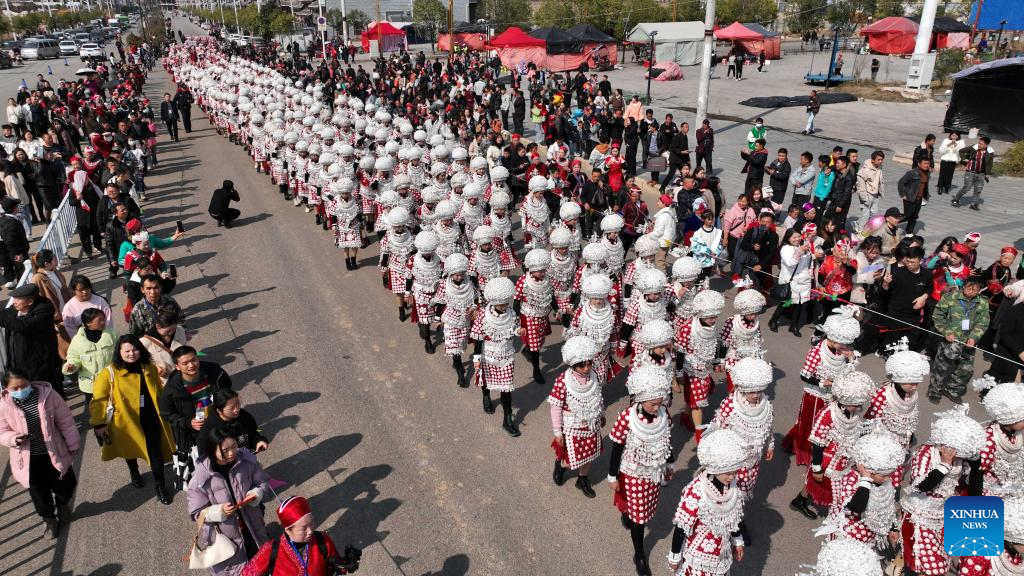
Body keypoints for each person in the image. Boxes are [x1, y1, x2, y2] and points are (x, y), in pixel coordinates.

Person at [89, 334, 176, 505]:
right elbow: (98, 399)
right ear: (119, 352)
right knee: (131, 450)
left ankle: (160, 487)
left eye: (135, 349)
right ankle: (134, 471)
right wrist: (98, 423)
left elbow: (159, 390)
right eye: (127, 350)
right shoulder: (109, 373)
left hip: (151, 417)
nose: (132, 353)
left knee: (155, 452)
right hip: (126, 421)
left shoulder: (148, 366)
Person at [900, 407, 985, 576]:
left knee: (938, 563)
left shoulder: (961, 461)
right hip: (918, 516)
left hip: (941, 516)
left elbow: (975, 494)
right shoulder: (926, 453)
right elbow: (921, 485)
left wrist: (976, 466)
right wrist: (944, 465)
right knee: (932, 568)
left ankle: (898, 564)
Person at [607, 367, 673, 576]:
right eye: (653, 403)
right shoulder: (627, 417)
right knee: (639, 518)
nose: (657, 407)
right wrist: (612, 475)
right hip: (633, 473)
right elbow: (617, 447)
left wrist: (669, 465)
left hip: (654, 472)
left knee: (644, 507)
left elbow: (666, 442)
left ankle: (629, 513)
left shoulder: (663, 415)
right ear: (641, 399)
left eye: (660, 402)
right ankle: (639, 553)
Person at [0, 369, 79, 539]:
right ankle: (49, 519)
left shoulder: (48, 395)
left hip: (53, 452)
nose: (20, 390)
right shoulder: (3, 404)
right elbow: (2, 431)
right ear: (6, 388)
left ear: (30, 382)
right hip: (28, 459)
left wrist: (73, 443)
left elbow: (65, 421)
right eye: (14, 388)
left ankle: (62, 504)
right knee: (39, 492)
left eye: (24, 385)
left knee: (67, 485)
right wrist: (13, 439)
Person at [788, 370, 875, 519]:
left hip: (845, 455)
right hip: (827, 458)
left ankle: (801, 500)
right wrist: (816, 468)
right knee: (822, 482)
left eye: (859, 405)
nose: (858, 408)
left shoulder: (853, 411)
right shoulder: (828, 414)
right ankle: (832, 513)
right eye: (855, 405)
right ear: (843, 400)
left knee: (836, 483)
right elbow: (817, 443)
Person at [782, 306, 861, 468]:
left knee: (828, 426)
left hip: (834, 396)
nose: (846, 347)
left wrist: (852, 359)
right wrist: (821, 383)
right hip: (815, 396)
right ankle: (807, 452)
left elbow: (848, 373)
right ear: (832, 338)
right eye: (843, 344)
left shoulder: (843, 352)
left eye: (847, 344)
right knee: (810, 425)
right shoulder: (816, 353)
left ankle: (822, 452)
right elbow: (804, 375)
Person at [187, 427, 270, 575]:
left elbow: (262, 481)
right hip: (226, 535)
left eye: (234, 446)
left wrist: (257, 492)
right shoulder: (200, 478)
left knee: (260, 558)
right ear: (212, 450)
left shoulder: (246, 461)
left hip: (252, 523)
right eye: (225, 450)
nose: (231, 453)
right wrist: (216, 512)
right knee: (235, 568)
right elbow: (196, 513)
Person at [666, 429, 749, 575]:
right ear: (715, 467)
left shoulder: (732, 487)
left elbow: (732, 517)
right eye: (728, 472)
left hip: (721, 551)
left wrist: (737, 539)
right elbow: (682, 526)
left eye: (735, 472)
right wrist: (675, 556)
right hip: (699, 555)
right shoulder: (696, 490)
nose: (732, 477)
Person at [160, 346, 234, 489]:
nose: (191, 365)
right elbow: (167, 414)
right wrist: (188, 422)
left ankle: (232, 486)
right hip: (195, 436)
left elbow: (227, 387)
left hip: (221, 427)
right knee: (205, 470)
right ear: (177, 366)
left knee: (228, 459)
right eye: (185, 363)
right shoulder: (171, 391)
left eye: (194, 360)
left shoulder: (214, 371)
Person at [822, 429, 905, 554]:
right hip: (848, 536)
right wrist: (865, 481)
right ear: (867, 469)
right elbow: (856, 507)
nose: (888, 478)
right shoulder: (851, 480)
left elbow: (887, 505)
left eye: (889, 474)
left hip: (868, 535)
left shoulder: (883, 480)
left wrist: (892, 527)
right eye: (884, 475)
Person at [242, 495, 361, 576]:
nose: (310, 531)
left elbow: (336, 565)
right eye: (303, 528)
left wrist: (346, 564)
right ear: (288, 530)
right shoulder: (271, 549)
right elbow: (248, 573)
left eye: (312, 523)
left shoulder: (322, 540)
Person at [549, 336, 604, 498]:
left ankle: (582, 479)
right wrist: (557, 431)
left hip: (592, 424)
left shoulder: (595, 376)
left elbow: (598, 397)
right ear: (572, 365)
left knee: (588, 455)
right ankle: (561, 466)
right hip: (572, 426)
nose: (587, 368)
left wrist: (602, 413)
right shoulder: (562, 381)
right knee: (572, 457)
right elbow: (555, 406)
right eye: (581, 365)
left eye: (589, 363)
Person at [470, 277, 522, 436]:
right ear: (493, 301)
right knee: (485, 380)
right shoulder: (482, 316)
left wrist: (519, 331)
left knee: (506, 388)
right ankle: (486, 397)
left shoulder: (512, 313)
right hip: (487, 354)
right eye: (501, 303)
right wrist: (477, 359)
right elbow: (478, 338)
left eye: (506, 303)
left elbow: (514, 328)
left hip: (506, 355)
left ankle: (507, 418)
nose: (504, 306)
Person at [930, 276, 989, 404]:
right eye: (969, 288)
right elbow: (938, 315)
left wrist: (974, 337)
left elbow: (983, 322)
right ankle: (935, 390)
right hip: (950, 339)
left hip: (969, 342)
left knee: (966, 370)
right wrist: (947, 331)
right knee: (942, 366)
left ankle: (952, 390)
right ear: (964, 286)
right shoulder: (950, 297)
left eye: (975, 290)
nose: (972, 292)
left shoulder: (983, 302)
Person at [0, 283, 63, 397]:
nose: (14, 301)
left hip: (42, 366)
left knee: (51, 396)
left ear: (30, 302)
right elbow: (5, 316)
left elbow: (25, 326)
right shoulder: (15, 309)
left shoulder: (44, 309)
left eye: (18, 299)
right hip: (19, 365)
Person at [62, 308, 118, 415]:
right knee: (97, 413)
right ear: (88, 323)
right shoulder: (78, 341)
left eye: (103, 319)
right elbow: (73, 358)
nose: (103, 322)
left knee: (116, 410)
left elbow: (121, 352)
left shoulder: (113, 334)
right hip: (90, 386)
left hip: (112, 381)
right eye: (99, 320)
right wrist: (71, 366)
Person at [198, 389, 268, 460]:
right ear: (219, 410)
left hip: (245, 460)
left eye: (238, 404)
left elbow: (253, 433)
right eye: (231, 408)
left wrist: (258, 441)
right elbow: (204, 454)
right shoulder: (209, 428)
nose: (236, 409)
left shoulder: (243, 416)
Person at [769, 228, 815, 335]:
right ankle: (773, 320)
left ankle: (794, 326)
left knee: (799, 305)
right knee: (786, 303)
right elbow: (790, 263)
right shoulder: (785, 249)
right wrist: (800, 251)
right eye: (794, 237)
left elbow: (807, 262)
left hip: (803, 281)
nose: (797, 239)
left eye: (798, 236)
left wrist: (813, 255)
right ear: (788, 238)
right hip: (791, 281)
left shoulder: (803, 246)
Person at [952, 136, 994, 211]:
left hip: (981, 174)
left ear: (986, 145)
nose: (979, 145)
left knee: (978, 189)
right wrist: (964, 159)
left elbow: (989, 163)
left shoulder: (990, 152)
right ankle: (956, 199)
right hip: (970, 172)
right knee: (966, 187)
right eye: (979, 143)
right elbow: (961, 151)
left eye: (981, 144)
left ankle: (974, 204)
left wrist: (988, 173)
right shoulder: (974, 147)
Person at [897, 156, 930, 235]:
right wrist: (903, 195)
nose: (927, 165)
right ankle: (891, 222)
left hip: (919, 199)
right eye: (925, 163)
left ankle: (909, 233)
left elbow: (924, 185)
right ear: (919, 164)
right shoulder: (912, 173)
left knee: (914, 217)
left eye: (928, 163)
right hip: (910, 198)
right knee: (907, 216)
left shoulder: (927, 172)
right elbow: (900, 182)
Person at [855, 151, 885, 220]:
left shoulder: (879, 167)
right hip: (867, 194)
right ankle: (859, 228)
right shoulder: (865, 170)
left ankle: (868, 228)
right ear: (872, 160)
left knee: (874, 214)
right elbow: (860, 185)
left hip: (875, 194)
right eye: (878, 159)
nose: (880, 161)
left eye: (882, 159)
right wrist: (864, 197)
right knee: (865, 214)